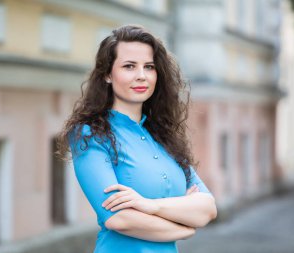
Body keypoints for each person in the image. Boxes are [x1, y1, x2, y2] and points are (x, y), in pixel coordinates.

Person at [57, 25, 217, 253]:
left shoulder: (163, 136)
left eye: (149, 67)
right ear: (107, 74)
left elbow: (207, 208)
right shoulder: (91, 134)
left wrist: (148, 205)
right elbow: (119, 219)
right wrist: (183, 226)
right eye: (129, 66)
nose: (141, 75)